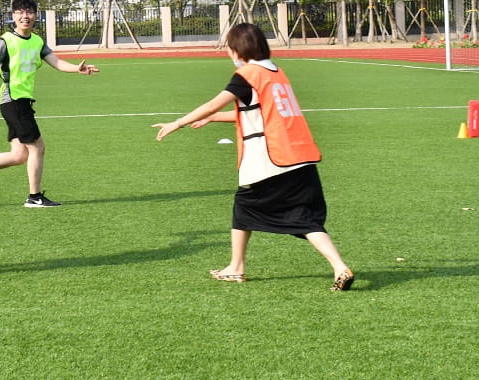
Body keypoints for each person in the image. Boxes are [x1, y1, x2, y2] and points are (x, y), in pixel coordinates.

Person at [152, 22, 355, 291]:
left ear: (237, 48)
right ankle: (339, 266)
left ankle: (236, 268)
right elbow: (258, 113)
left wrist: (177, 123)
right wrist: (213, 118)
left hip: (270, 158)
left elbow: (215, 102)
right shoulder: (275, 72)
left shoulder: (247, 75)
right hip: (300, 156)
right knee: (303, 219)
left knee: (244, 207)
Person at [0, 0, 98, 207]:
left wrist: (77, 69)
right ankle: (34, 197)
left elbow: (57, 62)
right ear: (13, 16)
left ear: (36, 16)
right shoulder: (5, 40)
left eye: (29, 12)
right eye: (20, 12)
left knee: (18, 155)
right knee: (38, 147)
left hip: (22, 101)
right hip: (13, 100)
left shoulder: (37, 41)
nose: (25, 16)